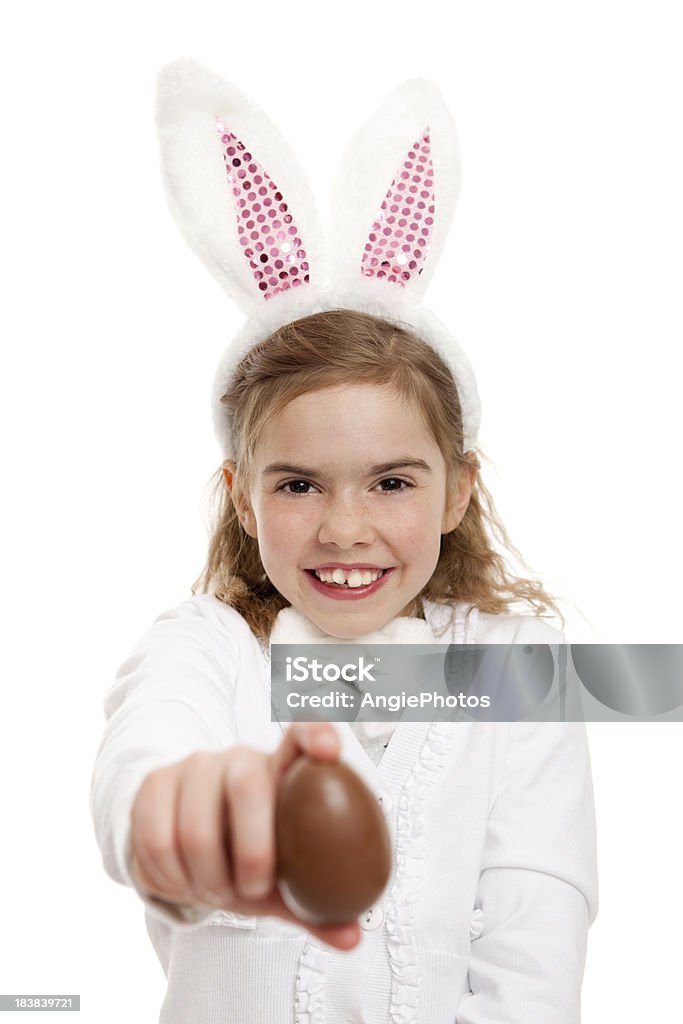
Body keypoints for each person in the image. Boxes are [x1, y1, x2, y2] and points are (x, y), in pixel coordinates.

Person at [90, 59, 598, 1024]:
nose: (345, 528)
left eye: (393, 481)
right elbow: (144, 756)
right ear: (242, 498)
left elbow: (535, 962)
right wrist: (173, 815)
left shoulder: (513, 673)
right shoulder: (207, 648)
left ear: (458, 492)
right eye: (297, 485)